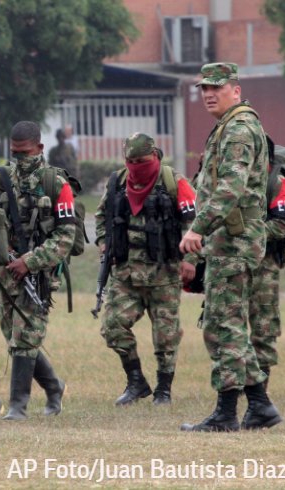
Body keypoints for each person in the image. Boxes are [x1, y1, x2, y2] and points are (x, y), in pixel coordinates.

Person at [180, 62, 282, 432]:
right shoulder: (230, 125)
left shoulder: (238, 129)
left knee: (222, 325)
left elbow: (230, 188)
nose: (209, 94)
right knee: (228, 324)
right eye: (204, 88)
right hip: (231, 240)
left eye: (217, 88)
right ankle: (260, 406)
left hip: (234, 242)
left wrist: (198, 228)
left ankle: (226, 414)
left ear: (235, 90)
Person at [95, 132, 197, 406]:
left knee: (166, 336)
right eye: (131, 161)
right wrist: (104, 243)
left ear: (154, 155)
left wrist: (191, 259)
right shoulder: (117, 182)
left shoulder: (173, 182)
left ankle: (164, 389)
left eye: (142, 161)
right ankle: (136, 381)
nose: (136, 166)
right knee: (112, 327)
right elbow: (102, 216)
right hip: (126, 274)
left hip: (165, 273)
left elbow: (195, 223)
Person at [0, 121, 71, 420]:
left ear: (40, 148)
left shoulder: (55, 183)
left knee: (25, 337)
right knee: (15, 335)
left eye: (26, 152)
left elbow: (65, 237)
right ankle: (54, 386)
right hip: (6, 272)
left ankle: (17, 407)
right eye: (15, 153)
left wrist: (30, 261)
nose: (20, 159)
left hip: (39, 274)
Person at [249, 143, 285, 392]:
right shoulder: (230, 181)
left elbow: (282, 226)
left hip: (265, 265)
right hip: (233, 263)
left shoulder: (277, 182)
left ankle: (260, 390)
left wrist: (248, 233)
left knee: (264, 326)